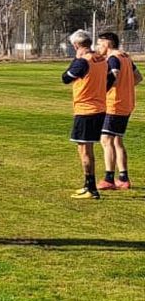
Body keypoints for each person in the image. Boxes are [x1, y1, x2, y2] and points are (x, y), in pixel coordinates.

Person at [61, 30, 114, 200]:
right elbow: (111, 79)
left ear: (76, 45)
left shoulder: (82, 62)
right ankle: (88, 185)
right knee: (88, 148)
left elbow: (65, 78)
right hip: (99, 108)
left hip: (86, 110)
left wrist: (77, 58)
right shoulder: (101, 59)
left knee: (84, 149)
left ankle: (91, 188)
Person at [97, 32, 141, 190]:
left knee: (105, 140)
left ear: (107, 44)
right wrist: (125, 88)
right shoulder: (125, 57)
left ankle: (109, 179)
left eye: (99, 44)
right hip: (126, 103)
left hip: (114, 104)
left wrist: (103, 90)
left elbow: (113, 75)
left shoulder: (113, 58)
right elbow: (138, 77)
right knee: (117, 140)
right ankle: (123, 178)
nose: (97, 47)